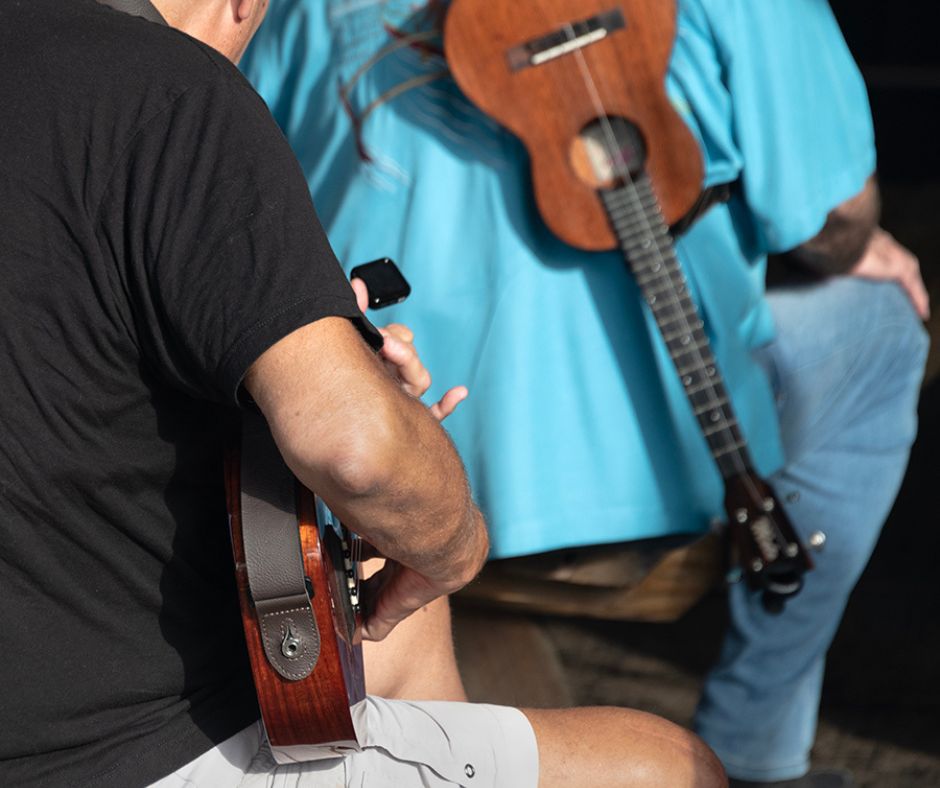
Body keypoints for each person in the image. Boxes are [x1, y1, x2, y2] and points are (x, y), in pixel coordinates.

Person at [0, 1, 731, 786]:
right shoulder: (171, 86)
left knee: (390, 630)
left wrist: (314, 354)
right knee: (668, 765)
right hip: (115, 750)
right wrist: (453, 545)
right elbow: (356, 450)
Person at [240, 0, 929, 786]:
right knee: (878, 321)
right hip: (625, 483)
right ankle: (758, 748)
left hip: (392, 459)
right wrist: (844, 241)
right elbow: (830, 221)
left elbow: (249, 188)